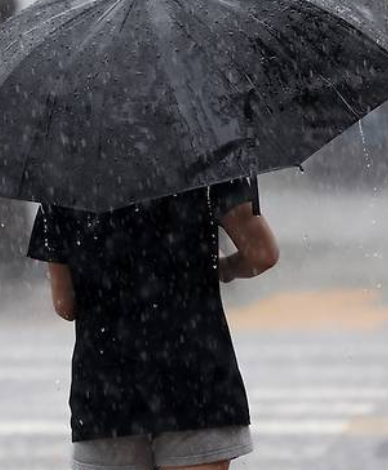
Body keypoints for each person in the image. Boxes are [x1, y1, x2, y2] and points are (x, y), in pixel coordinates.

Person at [27, 176, 279, 470]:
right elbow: (262, 254)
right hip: (197, 379)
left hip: (107, 389)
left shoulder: (64, 177)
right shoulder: (205, 161)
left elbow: (65, 304)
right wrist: (223, 268)